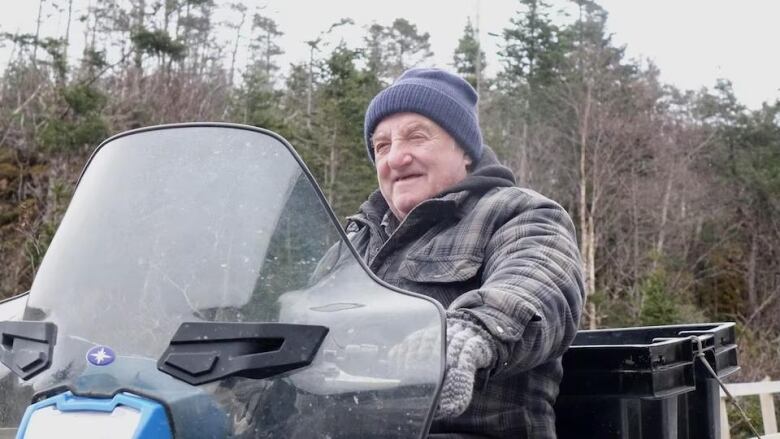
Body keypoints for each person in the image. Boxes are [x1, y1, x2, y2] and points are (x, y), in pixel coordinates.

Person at [344, 67, 586, 438]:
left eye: (416, 137)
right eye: (382, 146)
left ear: (465, 151)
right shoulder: (354, 238)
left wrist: (469, 332)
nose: (395, 158)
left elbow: (538, 280)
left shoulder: (519, 213)